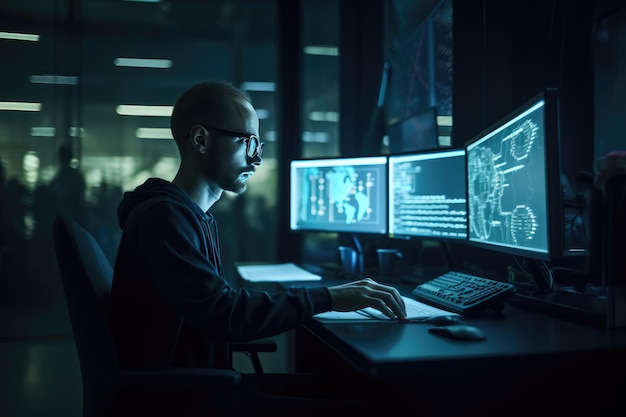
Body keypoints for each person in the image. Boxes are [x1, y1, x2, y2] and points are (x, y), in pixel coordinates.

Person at [109, 81, 408, 416]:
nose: (258, 159)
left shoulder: (188, 217)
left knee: (360, 386)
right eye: (248, 142)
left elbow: (215, 311)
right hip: (185, 399)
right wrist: (331, 297)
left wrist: (327, 296)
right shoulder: (163, 219)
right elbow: (224, 314)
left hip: (202, 385)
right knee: (380, 402)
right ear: (201, 140)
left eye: (259, 145)